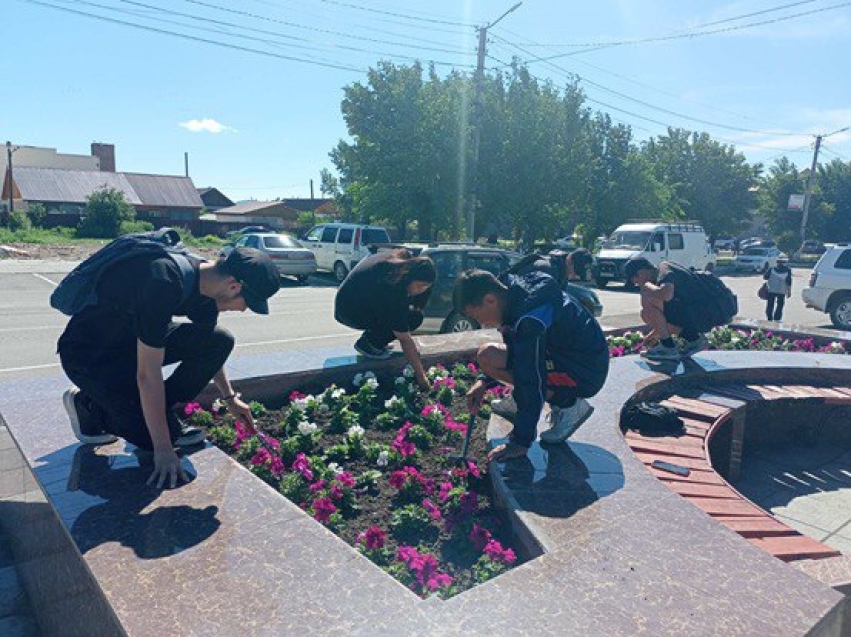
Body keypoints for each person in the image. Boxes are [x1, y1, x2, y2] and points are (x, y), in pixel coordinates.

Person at [58, 246, 281, 488]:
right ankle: (89, 406)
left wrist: (230, 398)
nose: (244, 309)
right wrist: (163, 448)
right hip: (91, 354)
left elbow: (209, 348)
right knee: (150, 439)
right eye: (248, 302)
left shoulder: (207, 289)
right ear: (233, 286)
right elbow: (147, 374)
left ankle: (155, 412)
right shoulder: (161, 281)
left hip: (132, 341)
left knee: (219, 341)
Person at [454, 263, 610, 462]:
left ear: (490, 300)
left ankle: (569, 406)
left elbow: (531, 378)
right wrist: (484, 381)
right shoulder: (511, 294)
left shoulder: (530, 319)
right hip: (562, 356)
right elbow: (517, 353)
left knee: (528, 381)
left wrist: (521, 441)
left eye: (476, 315)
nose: (481, 322)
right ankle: (525, 400)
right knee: (488, 355)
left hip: (585, 371)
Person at [334, 249, 436, 389]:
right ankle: (369, 344)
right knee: (405, 320)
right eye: (419, 286)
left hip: (359, 302)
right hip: (348, 310)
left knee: (415, 317)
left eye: (425, 287)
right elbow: (405, 339)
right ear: (410, 276)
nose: (421, 291)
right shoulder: (393, 284)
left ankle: (375, 339)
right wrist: (421, 376)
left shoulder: (402, 264)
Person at [623, 257, 735, 361]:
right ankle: (694, 340)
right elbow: (664, 320)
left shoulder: (664, 268)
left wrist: (646, 286)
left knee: (647, 305)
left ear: (641, 272)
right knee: (651, 310)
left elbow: (666, 295)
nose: (636, 283)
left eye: (635, 279)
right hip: (703, 314)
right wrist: (652, 336)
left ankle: (668, 348)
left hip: (706, 312)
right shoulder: (662, 275)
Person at [763, 256, 792, 321]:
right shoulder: (788, 270)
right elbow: (789, 282)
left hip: (771, 289)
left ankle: (769, 317)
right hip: (782, 290)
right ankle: (777, 318)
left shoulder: (771, 269)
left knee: (770, 304)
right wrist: (789, 292)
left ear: (777, 263)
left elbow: (765, 277)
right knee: (780, 304)